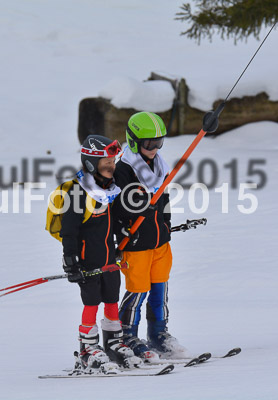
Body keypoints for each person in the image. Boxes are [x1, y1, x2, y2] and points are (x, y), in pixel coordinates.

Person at [59, 135, 141, 373]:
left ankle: (114, 343)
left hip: (108, 259)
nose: (111, 166)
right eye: (106, 162)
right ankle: (88, 349)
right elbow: (69, 230)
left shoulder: (109, 190)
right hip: (87, 262)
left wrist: (123, 231)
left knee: (112, 299)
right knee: (92, 302)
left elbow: (112, 220)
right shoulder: (77, 191)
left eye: (113, 162)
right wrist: (70, 261)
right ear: (92, 163)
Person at [113, 111, 189, 361]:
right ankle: (128, 336)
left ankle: (158, 334)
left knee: (159, 289)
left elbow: (164, 199)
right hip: (136, 244)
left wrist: (166, 224)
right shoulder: (123, 169)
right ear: (134, 141)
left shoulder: (159, 166)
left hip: (159, 241)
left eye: (159, 143)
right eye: (149, 144)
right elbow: (116, 205)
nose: (155, 148)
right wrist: (122, 230)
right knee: (138, 289)